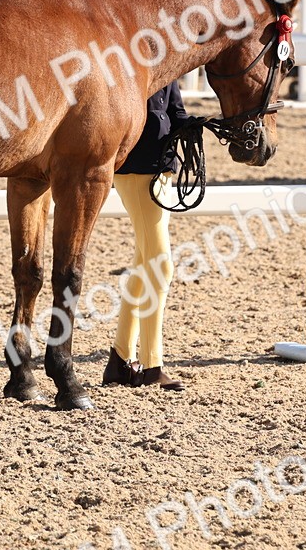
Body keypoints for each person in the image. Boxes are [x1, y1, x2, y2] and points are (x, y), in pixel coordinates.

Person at [103, 81, 189, 392]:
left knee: (143, 267)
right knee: (160, 267)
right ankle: (153, 366)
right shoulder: (126, 63)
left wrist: (198, 126)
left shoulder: (169, 66)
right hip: (136, 171)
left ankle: (120, 359)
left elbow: (176, 112)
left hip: (162, 172)